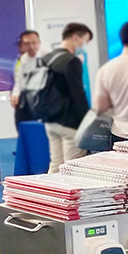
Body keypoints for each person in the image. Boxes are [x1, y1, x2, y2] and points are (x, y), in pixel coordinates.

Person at [42, 23, 93, 173]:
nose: (85, 45)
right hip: (70, 121)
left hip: (51, 119)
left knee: (56, 164)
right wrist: (87, 120)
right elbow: (77, 94)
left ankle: (50, 188)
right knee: (73, 167)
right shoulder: (71, 61)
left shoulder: (47, 58)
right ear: (75, 37)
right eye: (85, 40)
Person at [10, 30, 41, 126]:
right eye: (26, 44)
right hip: (24, 101)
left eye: (33, 42)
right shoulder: (21, 60)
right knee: (24, 127)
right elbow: (17, 79)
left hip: (41, 101)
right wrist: (15, 93)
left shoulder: (46, 57)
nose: (30, 46)